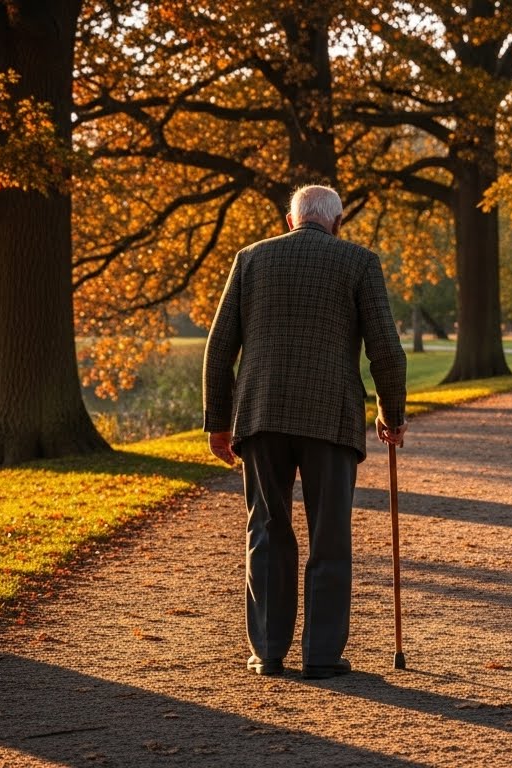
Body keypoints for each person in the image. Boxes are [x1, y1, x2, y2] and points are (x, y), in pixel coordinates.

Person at [202, 184, 408, 679]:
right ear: (337, 223)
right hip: (330, 416)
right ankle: (321, 655)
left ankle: (268, 651)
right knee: (329, 535)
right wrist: (391, 414)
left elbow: (219, 347)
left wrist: (218, 423)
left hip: (261, 414)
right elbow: (386, 349)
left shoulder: (250, 259)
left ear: (290, 220)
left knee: (267, 529)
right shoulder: (359, 261)